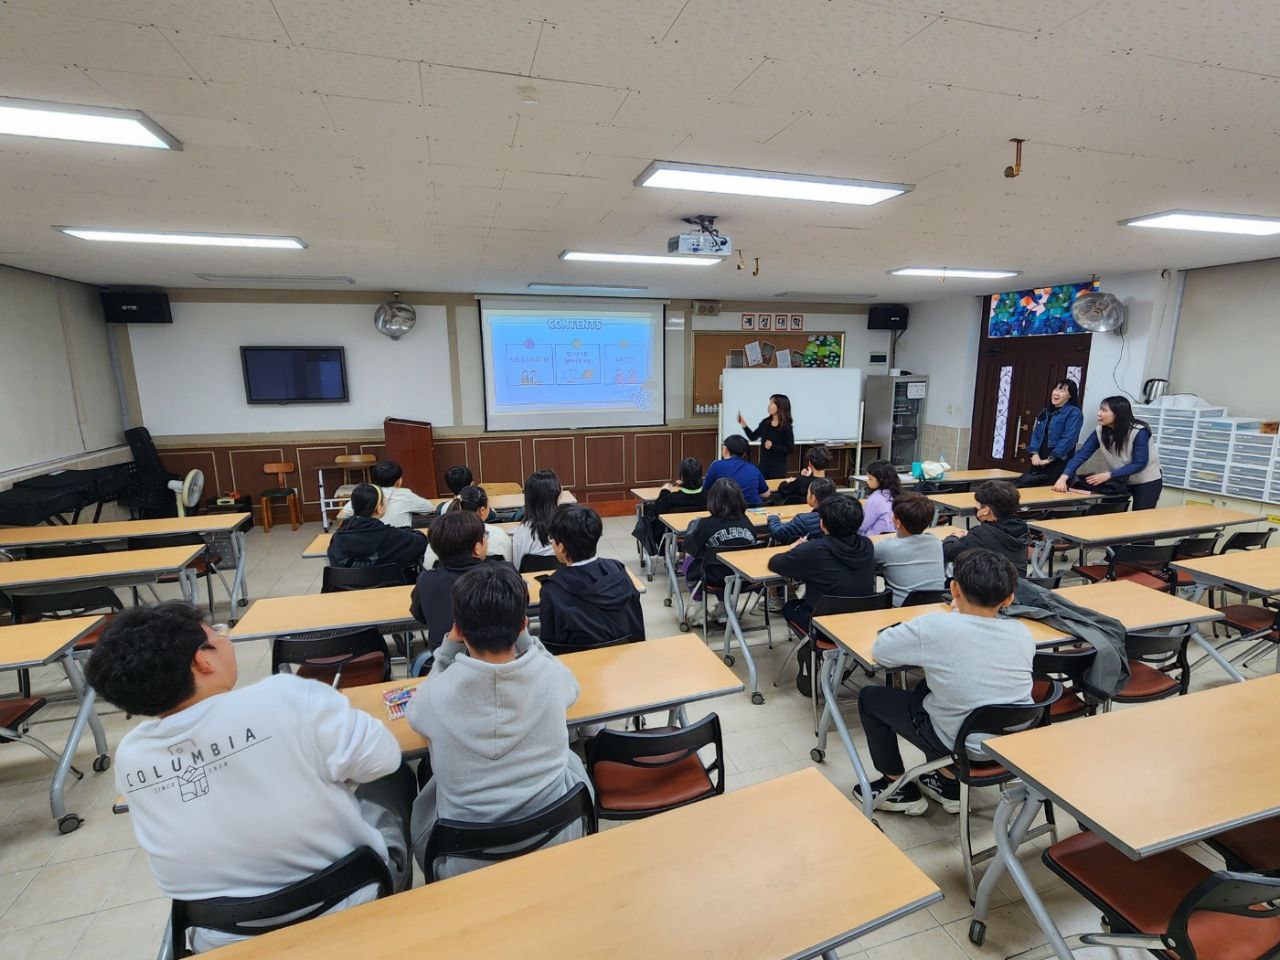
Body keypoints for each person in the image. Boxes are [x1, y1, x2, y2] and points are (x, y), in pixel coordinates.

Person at [85, 603, 413, 952]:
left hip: (221, 936)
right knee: (395, 778)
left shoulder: (131, 754)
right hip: (349, 899)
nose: (226, 640)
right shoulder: (285, 696)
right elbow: (383, 758)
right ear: (203, 661)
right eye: (218, 634)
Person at [407, 564, 591, 877]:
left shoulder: (434, 696)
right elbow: (571, 687)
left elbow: (415, 715)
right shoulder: (551, 677)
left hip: (463, 857)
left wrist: (445, 651)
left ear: (460, 630)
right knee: (572, 758)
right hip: (556, 835)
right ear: (523, 624)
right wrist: (529, 643)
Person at [853, 550, 1034, 816]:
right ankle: (947, 784)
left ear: (954, 588)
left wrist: (948, 619)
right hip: (1010, 741)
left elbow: (881, 651)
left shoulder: (935, 626)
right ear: (1009, 598)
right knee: (931, 689)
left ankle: (896, 787)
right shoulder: (1022, 632)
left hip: (962, 745)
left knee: (870, 698)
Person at [540, 504, 645, 648]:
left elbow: (549, 643)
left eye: (552, 539)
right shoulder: (617, 568)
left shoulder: (551, 589)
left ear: (561, 547)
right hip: (626, 656)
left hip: (578, 665)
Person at [766, 494, 875, 631]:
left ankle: (811, 650)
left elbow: (775, 563)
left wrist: (794, 548)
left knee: (789, 606)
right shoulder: (867, 545)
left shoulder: (813, 549)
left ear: (822, 524)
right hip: (863, 618)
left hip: (824, 626)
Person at [1053, 395, 1163, 510]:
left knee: (1140, 519)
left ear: (1118, 414)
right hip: (1120, 479)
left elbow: (1140, 463)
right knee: (1109, 513)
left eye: (1104, 410)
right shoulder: (1100, 430)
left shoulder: (1139, 431)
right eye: (1100, 409)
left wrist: (1109, 475)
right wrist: (1063, 477)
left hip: (1146, 481)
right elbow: (1082, 454)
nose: (1099, 414)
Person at [409, 509, 490, 649]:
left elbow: (420, 615)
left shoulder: (425, 581)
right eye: (485, 535)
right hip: (496, 661)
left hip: (445, 661)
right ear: (477, 548)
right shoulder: (503, 574)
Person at [682, 478, 758, 622]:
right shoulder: (747, 521)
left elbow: (690, 548)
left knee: (688, 562)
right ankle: (724, 608)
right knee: (722, 563)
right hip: (745, 578)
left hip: (715, 578)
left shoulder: (704, 524)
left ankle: (699, 608)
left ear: (712, 500)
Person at [327, 483, 428, 578]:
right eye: (384, 501)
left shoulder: (338, 538)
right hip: (389, 589)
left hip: (347, 591)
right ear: (379, 508)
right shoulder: (392, 536)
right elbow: (420, 543)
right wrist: (410, 531)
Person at [874, 494, 947, 605]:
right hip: (934, 606)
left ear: (898, 522)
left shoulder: (885, 548)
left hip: (899, 611)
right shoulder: (936, 542)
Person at [942, 480, 1029, 572]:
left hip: (989, 584)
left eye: (978, 504)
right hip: (1016, 583)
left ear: (986, 510)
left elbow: (949, 549)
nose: (976, 506)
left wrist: (954, 537)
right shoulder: (1022, 528)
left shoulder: (981, 534)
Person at [1016, 380, 1084, 488]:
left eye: (1062, 390)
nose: (1056, 393)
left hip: (1058, 459)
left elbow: (1069, 439)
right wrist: (1034, 454)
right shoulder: (1045, 412)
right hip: (1039, 458)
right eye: (1056, 389)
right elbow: (1035, 434)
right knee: (1028, 487)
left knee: (1048, 491)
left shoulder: (1074, 413)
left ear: (1070, 395)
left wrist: (1050, 458)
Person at [422, 486, 512, 566]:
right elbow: (509, 563)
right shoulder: (498, 534)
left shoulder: (438, 537)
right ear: (482, 510)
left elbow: (429, 566)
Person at [336, 460, 434, 527]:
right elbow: (429, 508)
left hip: (370, 543)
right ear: (398, 481)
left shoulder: (367, 494)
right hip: (399, 542)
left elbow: (342, 514)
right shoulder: (405, 494)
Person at [510, 469, 562, 571]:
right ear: (557, 494)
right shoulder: (567, 527)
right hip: (564, 583)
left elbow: (517, 569)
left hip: (530, 585)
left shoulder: (521, 534)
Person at [736, 393, 795, 480]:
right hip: (763, 465)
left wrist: (773, 446)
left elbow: (790, 449)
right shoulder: (765, 422)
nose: (768, 405)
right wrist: (744, 425)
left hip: (778, 467)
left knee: (775, 491)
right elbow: (753, 436)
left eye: (772, 403)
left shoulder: (786, 427)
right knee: (762, 490)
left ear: (780, 407)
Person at [767, 476, 837, 545]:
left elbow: (778, 532)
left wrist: (773, 517)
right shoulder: (840, 514)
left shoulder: (803, 521)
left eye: (808, 492)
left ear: (813, 498)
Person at [703, 435, 769, 506]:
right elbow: (766, 494)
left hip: (726, 511)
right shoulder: (753, 468)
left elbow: (706, 490)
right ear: (744, 453)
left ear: (725, 450)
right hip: (751, 511)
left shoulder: (716, 466)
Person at [860, 460, 901, 536]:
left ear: (881, 480)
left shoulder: (875, 500)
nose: (867, 481)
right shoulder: (896, 494)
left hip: (874, 539)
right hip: (894, 537)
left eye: (870, 478)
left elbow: (862, 526)